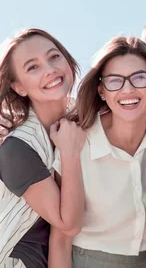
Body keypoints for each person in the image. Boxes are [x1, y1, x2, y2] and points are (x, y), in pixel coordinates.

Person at [49, 37, 146, 268]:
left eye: (139, 78)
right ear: (101, 91)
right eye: (114, 81)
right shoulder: (76, 142)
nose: (128, 89)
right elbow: (60, 239)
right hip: (89, 260)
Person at [0, 29, 86, 268]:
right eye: (32, 67)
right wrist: (69, 153)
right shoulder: (15, 146)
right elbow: (68, 223)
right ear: (19, 87)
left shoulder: (80, 114)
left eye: (54, 57)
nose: (49, 69)